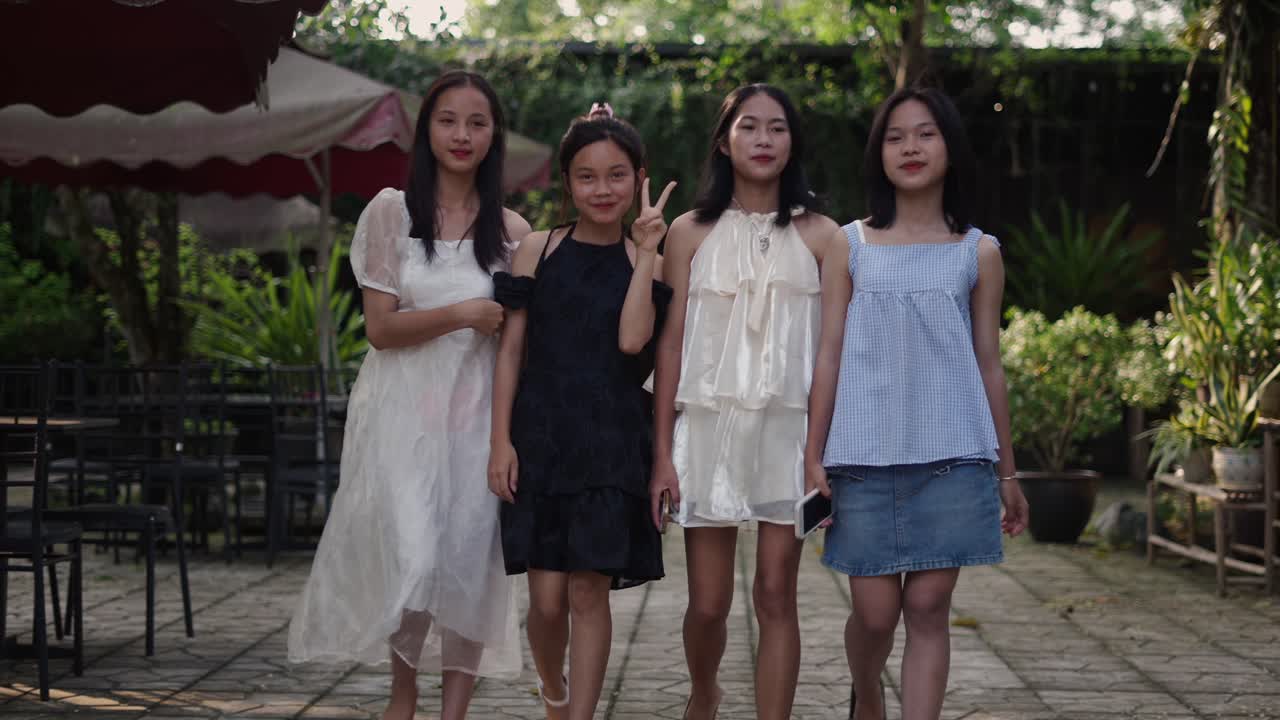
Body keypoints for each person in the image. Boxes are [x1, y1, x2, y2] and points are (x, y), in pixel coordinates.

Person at [288, 70, 531, 720]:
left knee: (468, 563)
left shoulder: (513, 231)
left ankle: (453, 711)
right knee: (417, 557)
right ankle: (404, 698)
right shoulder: (391, 211)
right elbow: (380, 329)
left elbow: (520, 342)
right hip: (403, 418)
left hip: (478, 418)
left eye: (477, 122)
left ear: (493, 136)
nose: (462, 134)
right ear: (427, 129)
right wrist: (465, 313)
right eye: (448, 120)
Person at [804, 86, 1030, 720]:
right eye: (896, 136)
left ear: (950, 150)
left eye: (926, 133)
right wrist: (812, 453)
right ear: (879, 154)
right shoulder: (849, 244)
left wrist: (1006, 472)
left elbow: (989, 362)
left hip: (954, 459)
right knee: (873, 616)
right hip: (864, 458)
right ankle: (867, 692)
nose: (910, 147)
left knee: (929, 610)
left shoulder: (978, 251)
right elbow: (829, 353)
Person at [648, 83, 843, 720]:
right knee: (707, 603)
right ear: (724, 141)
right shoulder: (687, 232)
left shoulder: (824, 236)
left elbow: (829, 356)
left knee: (775, 595)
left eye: (777, 128)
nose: (763, 140)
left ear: (793, 143)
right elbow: (668, 348)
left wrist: (821, 455)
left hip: (790, 435)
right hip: (706, 430)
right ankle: (703, 691)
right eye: (749, 127)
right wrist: (660, 455)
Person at [488, 102, 676, 720]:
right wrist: (499, 441)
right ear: (566, 181)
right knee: (545, 602)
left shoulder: (648, 260)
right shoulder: (536, 251)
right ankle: (554, 690)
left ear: (640, 178)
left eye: (617, 174)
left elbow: (631, 344)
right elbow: (510, 351)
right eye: (587, 175)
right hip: (541, 439)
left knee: (588, 591)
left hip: (611, 444)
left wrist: (647, 251)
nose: (602, 188)